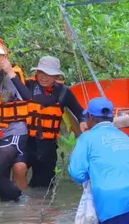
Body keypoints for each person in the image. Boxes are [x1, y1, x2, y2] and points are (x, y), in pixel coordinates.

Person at [68, 97, 129, 224]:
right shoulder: (124, 136)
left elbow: (77, 173)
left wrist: (93, 174)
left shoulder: (86, 138)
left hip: (113, 203)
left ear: (91, 117)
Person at [13, 56, 86, 190]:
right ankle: (20, 198)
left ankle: (36, 202)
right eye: (41, 72)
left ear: (56, 76)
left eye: (49, 74)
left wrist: (82, 121)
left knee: (42, 187)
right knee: (19, 167)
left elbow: (80, 112)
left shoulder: (64, 92)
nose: (44, 77)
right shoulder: (27, 85)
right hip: (26, 140)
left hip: (48, 145)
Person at [0, 38, 31, 202]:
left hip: (14, 133)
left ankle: (23, 200)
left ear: (5, 57)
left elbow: (27, 96)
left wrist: (9, 71)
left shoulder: (10, 75)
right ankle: (11, 210)